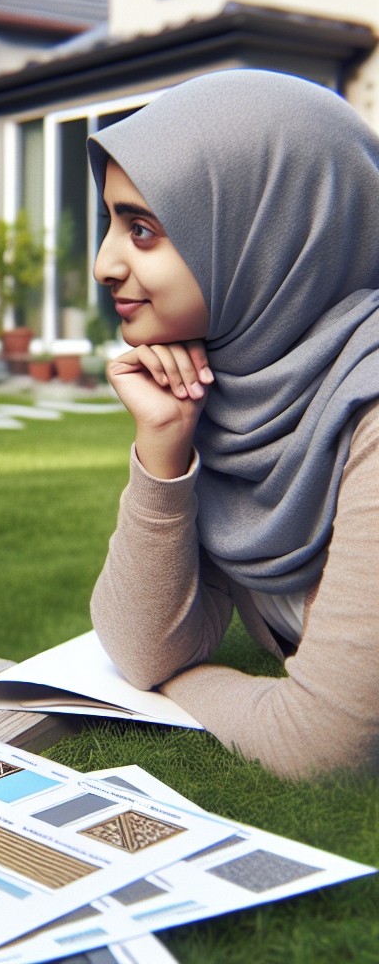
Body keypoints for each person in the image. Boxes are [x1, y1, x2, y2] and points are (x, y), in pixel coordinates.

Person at [89, 69, 379, 780]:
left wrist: (179, 687)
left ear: (268, 230)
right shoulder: (242, 396)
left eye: (143, 230)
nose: (103, 263)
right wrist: (163, 453)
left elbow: (325, 747)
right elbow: (141, 644)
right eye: (112, 223)